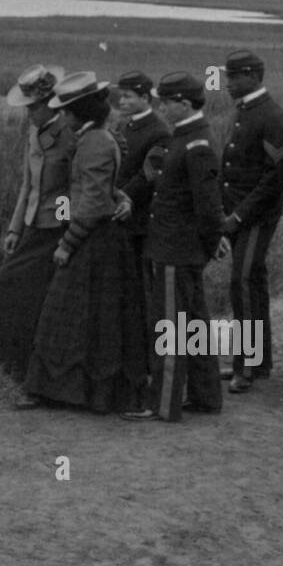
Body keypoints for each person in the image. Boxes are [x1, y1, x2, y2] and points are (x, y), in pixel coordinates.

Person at [21, 72, 143, 414]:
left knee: (65, 316)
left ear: (81, 113)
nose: (66, 118)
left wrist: (67, 243)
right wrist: (123, 196)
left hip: (93, 240)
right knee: (95, 321)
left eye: (69, 112)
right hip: (102, 239)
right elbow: (104, 189)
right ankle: (87, 393)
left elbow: (91, 200)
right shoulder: (100, 138)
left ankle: (63, 392)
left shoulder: (93, 143)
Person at [133, 72, 230, 422]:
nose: (161, 107)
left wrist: (211, 241)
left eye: (166, 102)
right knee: (194, 325)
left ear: (184, 104)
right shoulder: (187, 137)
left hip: (177, 248)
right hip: (178, 246)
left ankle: (164, 404)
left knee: (171, 327)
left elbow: (207, 205)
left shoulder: (196, 144)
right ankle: (206, 396)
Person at [0, 64, 75, 380]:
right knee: (8, 285)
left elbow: (71, 189)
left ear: (51, 102)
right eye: (26, 108)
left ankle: (22, 366)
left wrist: (63, 227)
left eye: (33, 107)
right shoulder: (34, 132)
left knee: (27, 292)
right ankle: (3, 363)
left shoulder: (70, 133)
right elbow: (27, 184)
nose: (28, 114)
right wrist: (14, 228)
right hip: (34, 225)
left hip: (57, 229)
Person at [218, 49, 283, 391]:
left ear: (253, 76)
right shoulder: (245, 112)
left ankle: (245, 367)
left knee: (243, 283)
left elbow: (274, 179)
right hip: (238, 213)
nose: (228, 83)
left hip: (255, 216)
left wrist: (238, 215)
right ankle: (258, 362)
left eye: (234, 77)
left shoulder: (273, 117)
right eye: (227, 76)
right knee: (254, 284)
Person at [112, 70, 171, 356]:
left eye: (128, 96)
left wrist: (123, 195)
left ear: (146, 98)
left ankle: (146, 351)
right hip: (121, 213)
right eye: (120, 96)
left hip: (139, 219)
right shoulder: (126, 127)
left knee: (141, 285)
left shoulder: (158, 130)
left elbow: (149, 173)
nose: (121, 101)